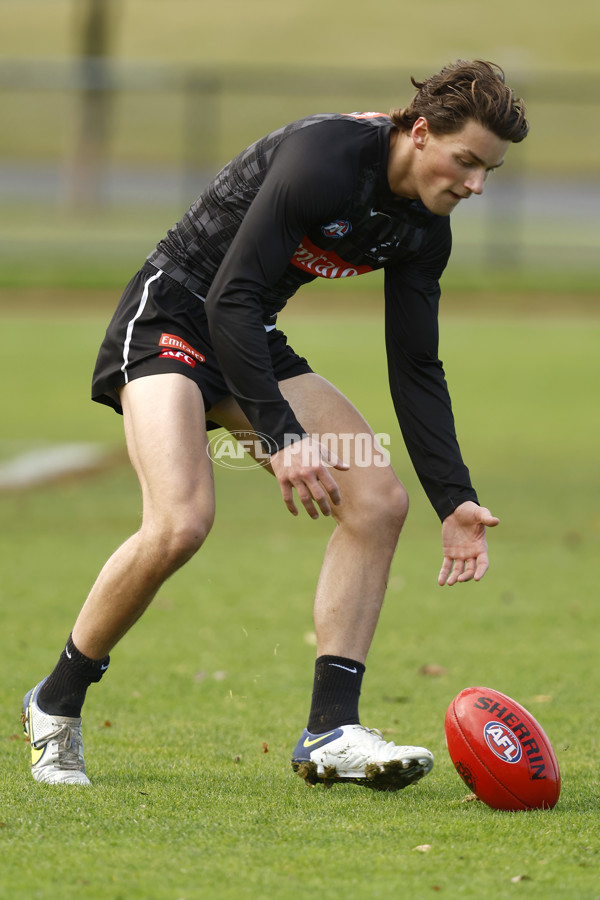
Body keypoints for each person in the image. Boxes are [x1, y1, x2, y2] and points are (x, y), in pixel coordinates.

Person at [22, 59, 528, 790]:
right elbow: (227, 294)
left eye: (491, 172)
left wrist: (455, 499)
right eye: (467, 161)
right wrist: (284, 437)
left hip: (250, 336)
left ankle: (331, 731)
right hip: (171, 322)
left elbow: (416, 365)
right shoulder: (324, 161)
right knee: (181, 521)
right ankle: (55, 702)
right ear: (421, 133)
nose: (476, 184)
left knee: (378, 501)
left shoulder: (425, 228)